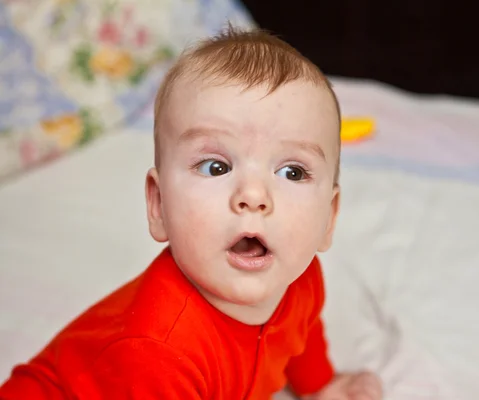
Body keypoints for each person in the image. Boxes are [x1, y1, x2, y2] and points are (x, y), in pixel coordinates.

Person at [0, 27, 383, 400]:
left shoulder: (302, 278)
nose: (253, 196)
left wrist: (321, 385)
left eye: (292, 172)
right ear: (159, 205)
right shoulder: (161, 350)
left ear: (329, 219)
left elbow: (302, 334)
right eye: (216, 167)